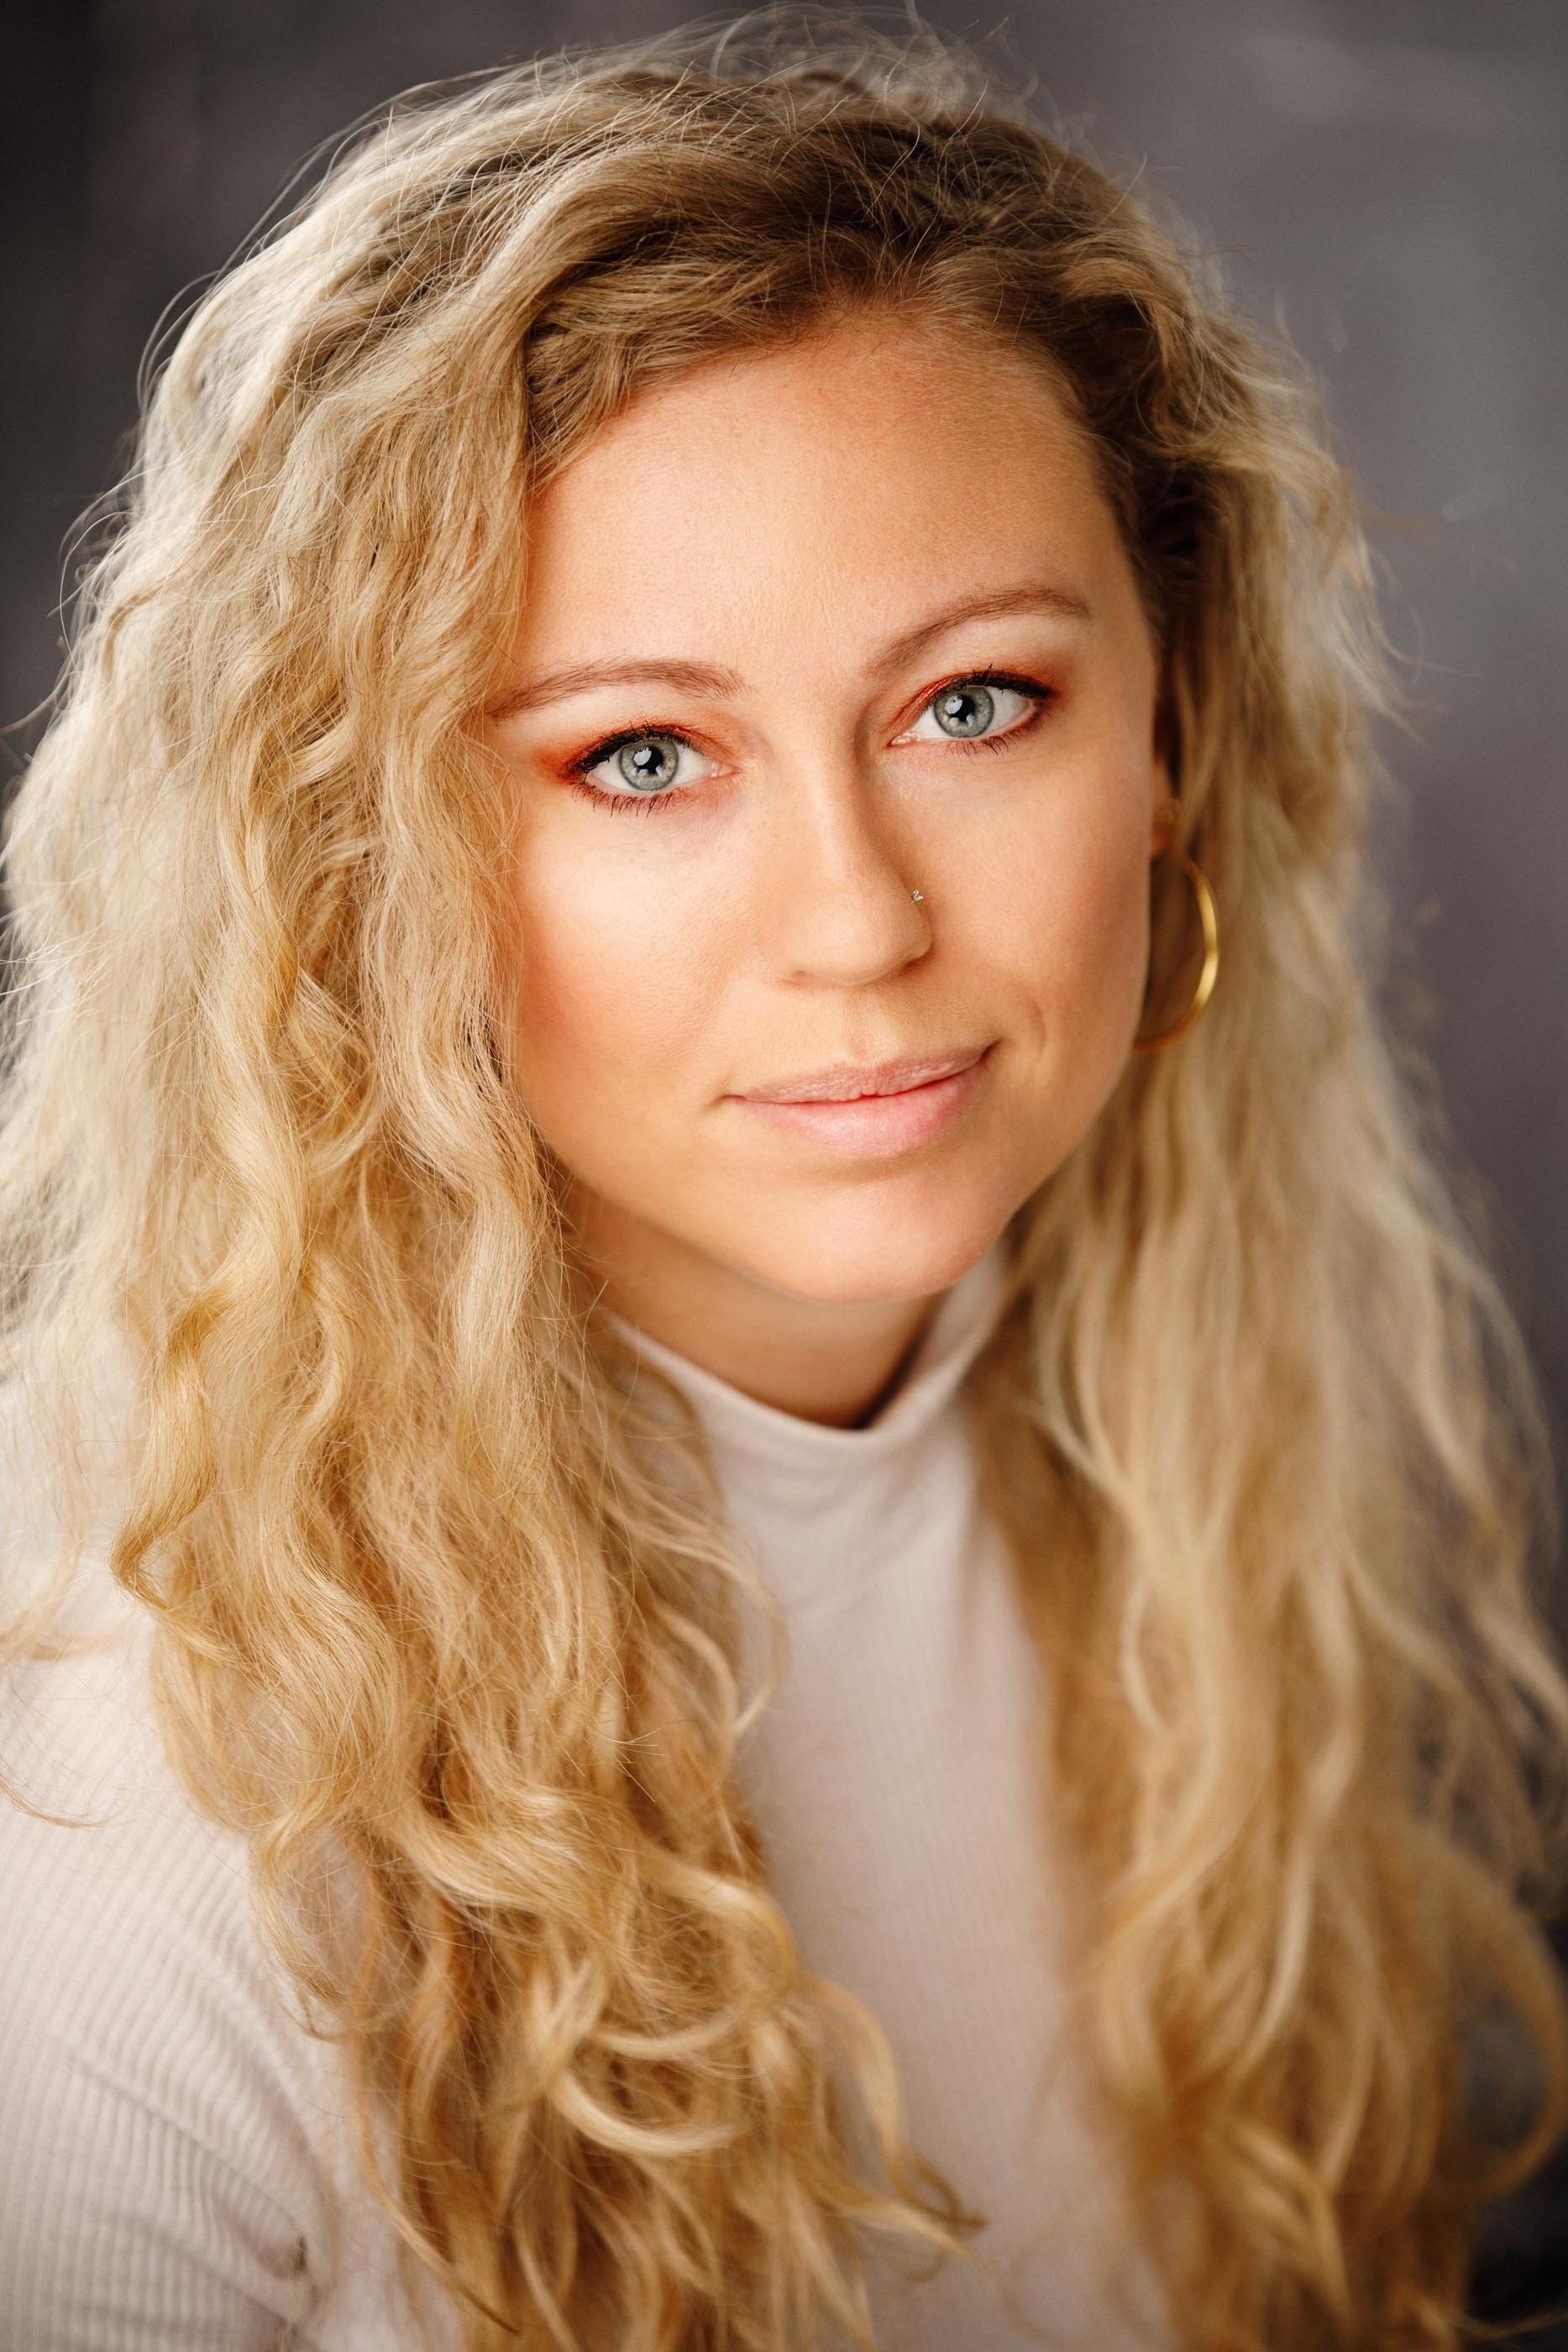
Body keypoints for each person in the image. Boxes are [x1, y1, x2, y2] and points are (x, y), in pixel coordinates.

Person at [1, 12, 1565, 2350]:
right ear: (362, 869)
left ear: (1172, 733)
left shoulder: (1208, 1493)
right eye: (640, 755)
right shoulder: (105, 1795)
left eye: (972, 706)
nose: (857, 922)